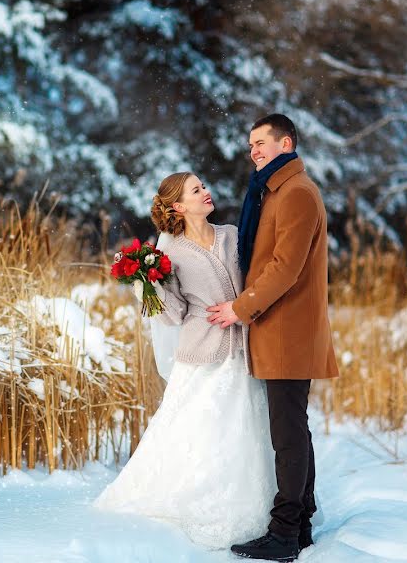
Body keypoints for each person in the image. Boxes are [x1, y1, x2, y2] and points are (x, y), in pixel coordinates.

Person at [93, 171, 276, 549]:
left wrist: (242, 308)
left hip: (243, 350)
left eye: (204, 186)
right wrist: (149, 284)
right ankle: (194, 506)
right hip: (202, 354)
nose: (206, 192)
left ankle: (263, 514)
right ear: (178, 205)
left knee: (246, 433)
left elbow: (255, 281)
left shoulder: (231, 235)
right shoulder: (170, 252)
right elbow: (174, 315)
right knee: (201, 435)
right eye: (197, 190)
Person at [207, 114, 338, 561]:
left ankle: (283, 534)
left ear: (286, 143)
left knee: (286, 433)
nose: (253, 151)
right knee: (293, 427)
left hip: (287, 330)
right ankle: (299, 522)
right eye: (251, 145)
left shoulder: (297, 194)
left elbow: (285, 266)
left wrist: (239, 308)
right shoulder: (276, 191)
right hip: (281, 328)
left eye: (261, 142)